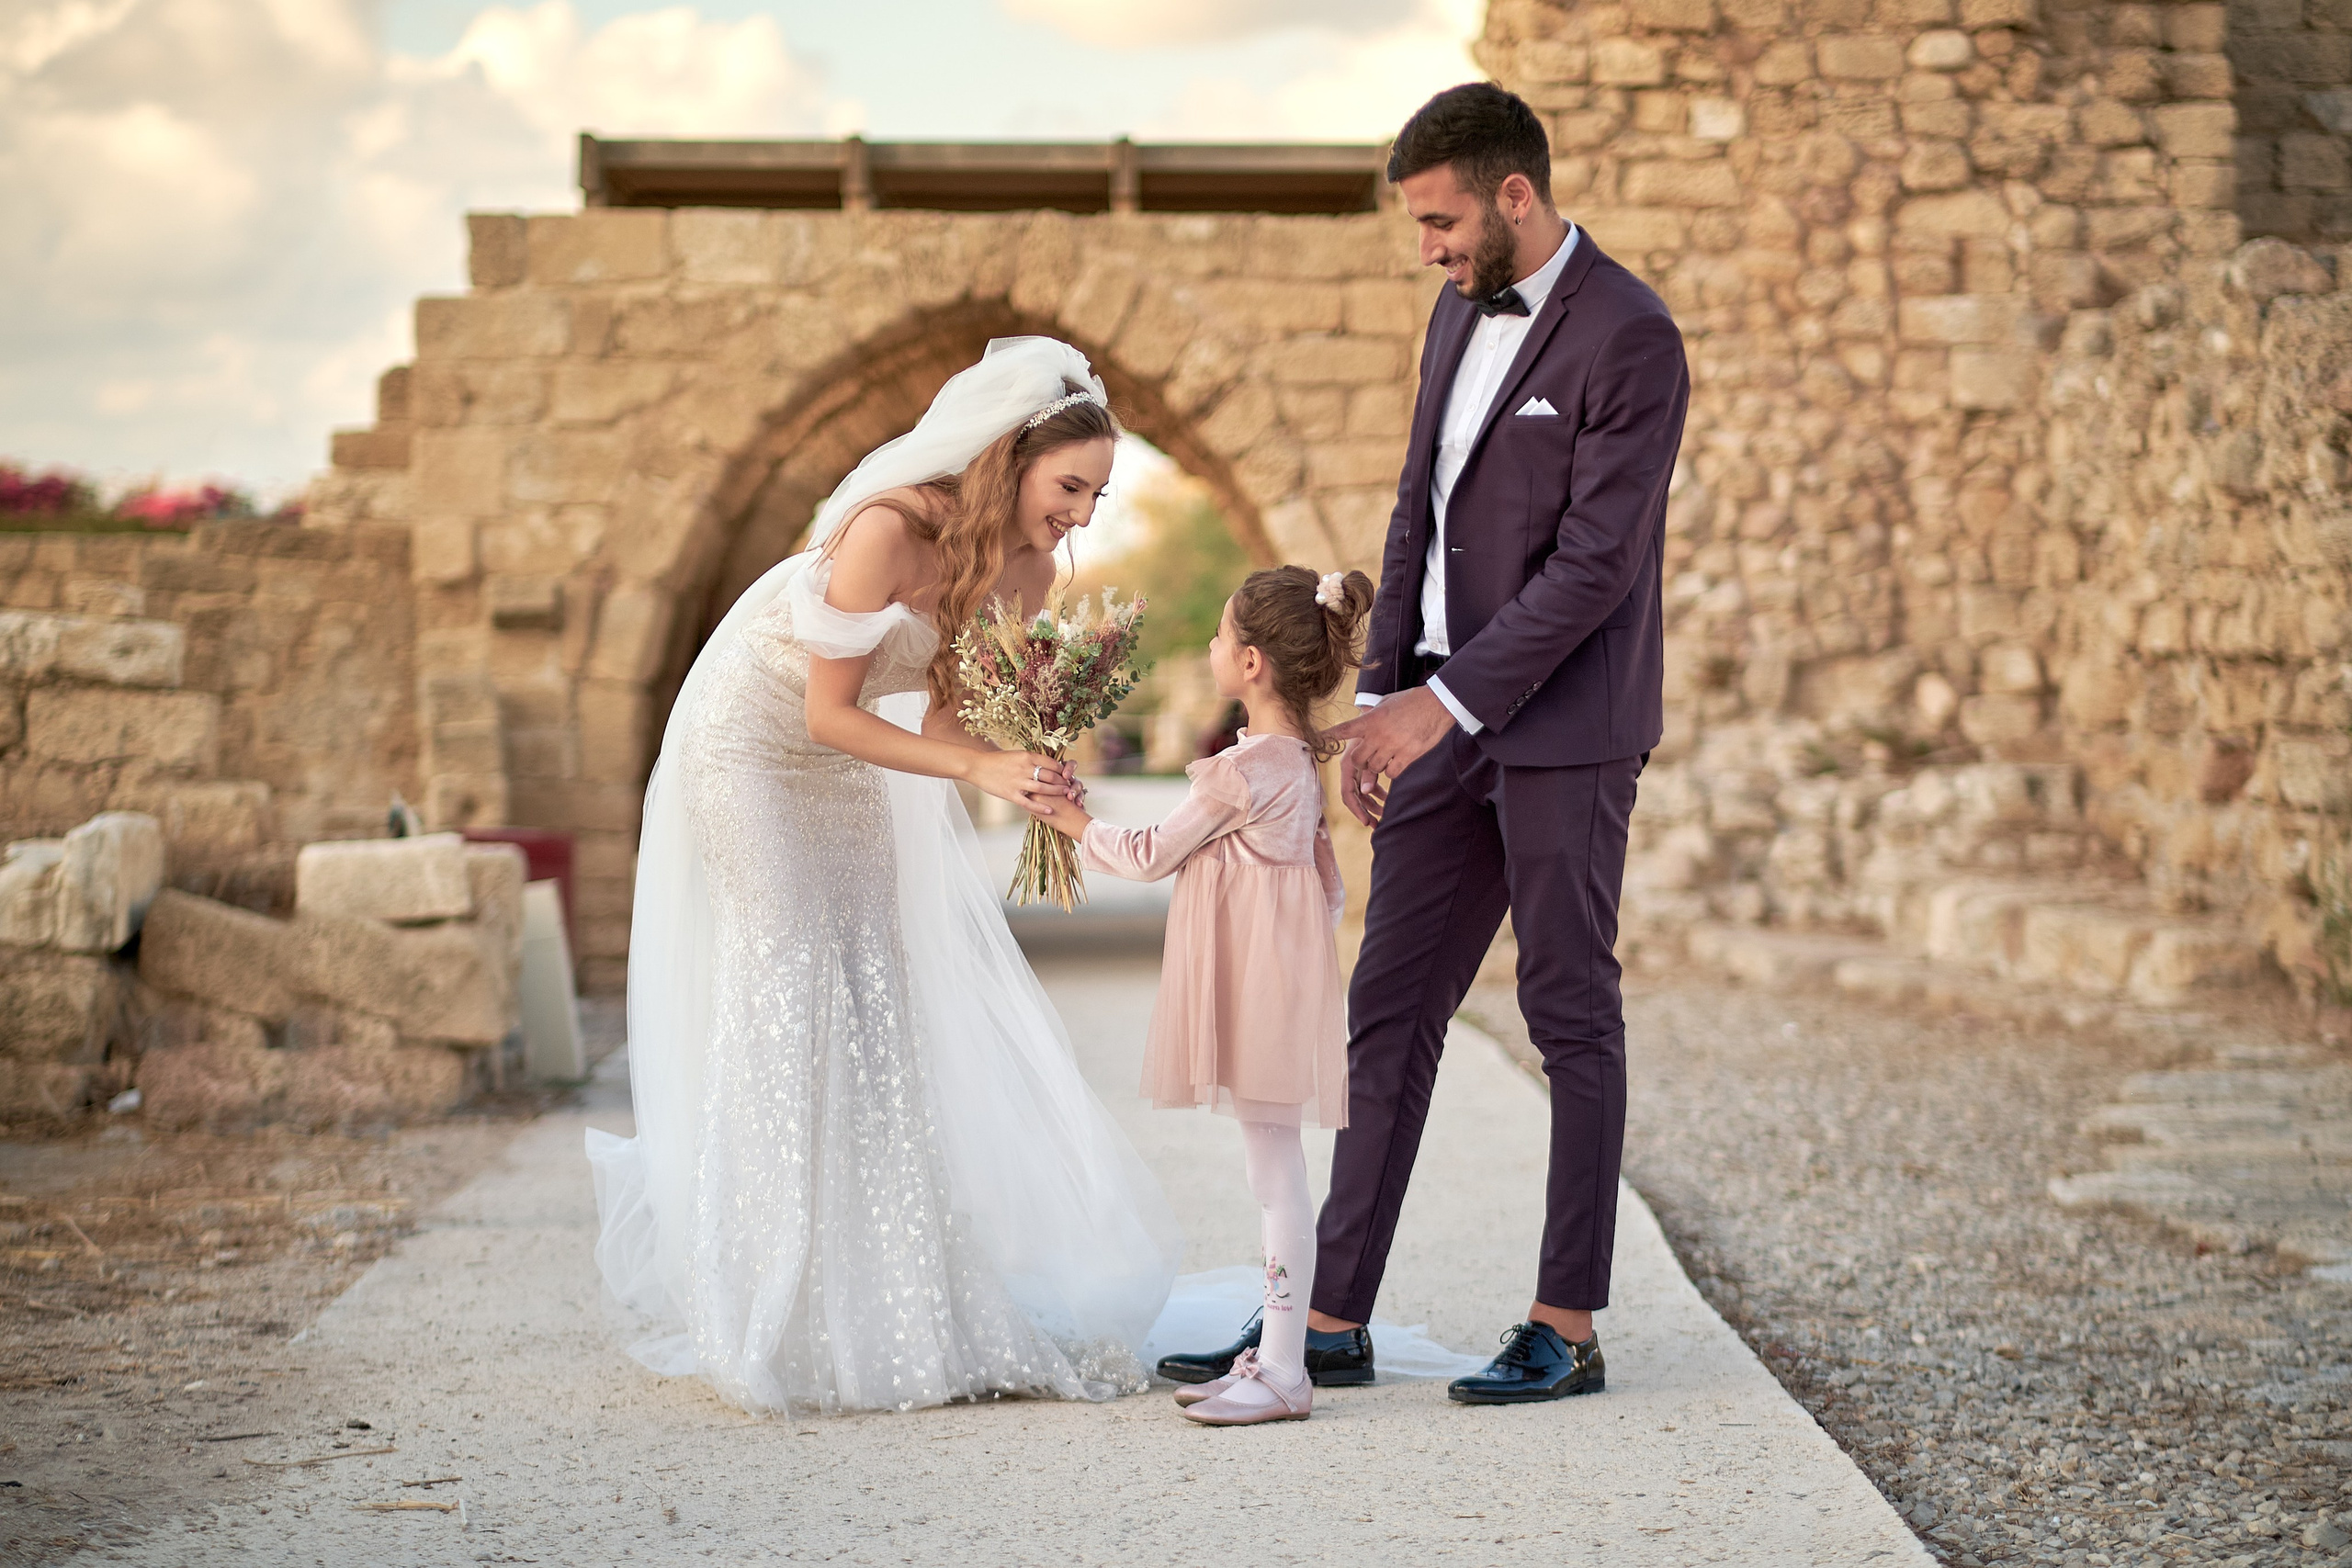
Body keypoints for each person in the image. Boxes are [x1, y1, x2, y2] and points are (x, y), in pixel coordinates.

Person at [1154, 82, 1690, 1404]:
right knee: (1384, 1011)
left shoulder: (1633, 336)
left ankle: (1566, 1320)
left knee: (1571, 1010)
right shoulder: (1453, 316)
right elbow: (1413, 518)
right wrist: (1379, 700)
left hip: (1567, 725)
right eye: (1420, 229)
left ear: (1516, 194)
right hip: (1435, 720)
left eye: (1443, 221)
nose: (1430, 250)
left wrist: (1429, 708)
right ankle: (1328, 1318)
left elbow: (1596, 569)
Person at [586, 338, 1183, 1415]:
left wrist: (1026, 776)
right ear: (1007, 459)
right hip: (755, 750)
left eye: (1100, 492)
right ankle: (766, 1294)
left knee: (875, 987)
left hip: (852, 760)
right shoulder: (886, 527)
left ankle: (891, 1298)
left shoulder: (1030, 571)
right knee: (789, 976)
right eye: (1069, 486)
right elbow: (827, 711)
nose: (1084, 514)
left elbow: (952, 716)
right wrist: (973, 763)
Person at [1036, 566, 1374, 1425]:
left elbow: (1150, 852)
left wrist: (1071, 822)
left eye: (1221, 638)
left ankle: (1287, 1372)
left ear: (1253, 663)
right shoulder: (1295, 760)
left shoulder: (1242, 769)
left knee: (1275, 1179)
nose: (1212, 648)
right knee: (1277, 1172)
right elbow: (1326, 887)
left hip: (1258, 983)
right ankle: (1279, 1354)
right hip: (1284, 976)